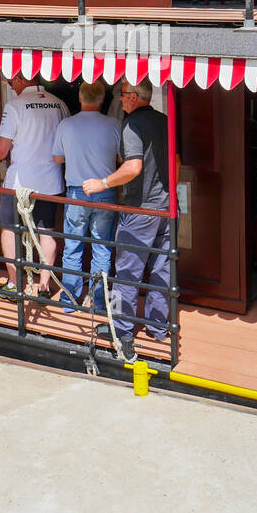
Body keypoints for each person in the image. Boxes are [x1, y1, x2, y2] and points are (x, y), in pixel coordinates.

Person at [83, 79, 170, 360]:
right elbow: (175, 161)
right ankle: (158, 327)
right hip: (165, 206)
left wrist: (102, 183)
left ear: (133, 97)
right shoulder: (164, 120)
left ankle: (122, 330)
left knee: (127, 272)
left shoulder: (132, 125)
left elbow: (132, 167)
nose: (120, 100)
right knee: (161, 267)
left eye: (122, 95)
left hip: (140, 209)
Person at [0, 73, 67, 297]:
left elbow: (2, 148)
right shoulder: (59, 103)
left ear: (19, 81)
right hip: (51, 178)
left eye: (11, 82)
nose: (11, 87)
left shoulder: (14, 106)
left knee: (9, 228)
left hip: (19, 181)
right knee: (46, 232)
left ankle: (15, 283)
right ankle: (44, 286)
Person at [51, 81, 121, 314]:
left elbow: (57, 159)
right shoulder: (114, 125)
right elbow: (122, 159)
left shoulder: (66, 125)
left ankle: (70, 300)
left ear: (80, 99)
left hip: (76, 191)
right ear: (102, 99)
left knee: (72, 246)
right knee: (102, 248)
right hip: (106, 191)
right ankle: (99, 302)